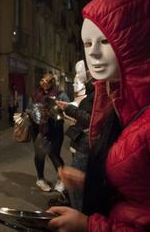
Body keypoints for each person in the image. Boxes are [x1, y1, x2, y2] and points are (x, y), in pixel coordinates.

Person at [48, 0, 150, 231]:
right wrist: (89, 182)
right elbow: (147, 193)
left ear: (142, 42)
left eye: (105, 41)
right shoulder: (124, 104)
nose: (93, 53)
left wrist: (90, 226)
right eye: (87, 43)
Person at [51, 60, 94, 210]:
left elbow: (92, 119)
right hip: (80, 141)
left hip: (85, 143)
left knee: (77, 188)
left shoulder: (97, 93)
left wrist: (69, 109)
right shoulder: (91, 92)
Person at [29, 73, 70, 193]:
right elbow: (29, 109)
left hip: (55, 129)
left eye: (47, 82)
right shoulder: (36, 94)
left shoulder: (60, 94)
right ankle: (40, 179)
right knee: (39, 155)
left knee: (54, 154)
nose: (44, 84)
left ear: (52, 83)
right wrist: (35, 113)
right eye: (42, 81)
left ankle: (62, 179)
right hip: (40, 129)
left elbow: (68, 109)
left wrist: (57, 109)